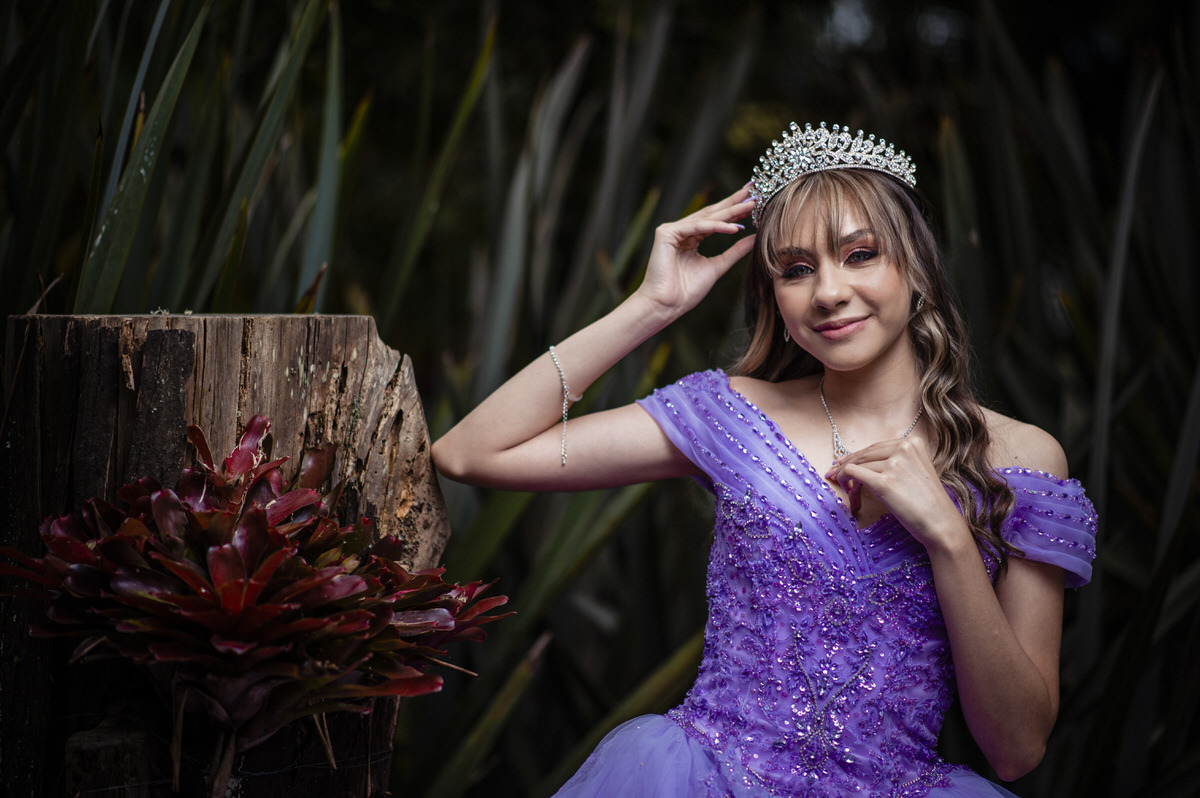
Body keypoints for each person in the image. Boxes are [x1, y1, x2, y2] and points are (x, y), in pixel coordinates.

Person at [431, 121, 1097, 797]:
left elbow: (1016, 750)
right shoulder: (731, 415)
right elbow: (470, 451)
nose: (828, 292)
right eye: (797, 270)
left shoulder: (1023, 457)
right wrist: (651, 306)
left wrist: (949, 539)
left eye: (860, 255)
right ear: (775, 299)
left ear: (918, 269)